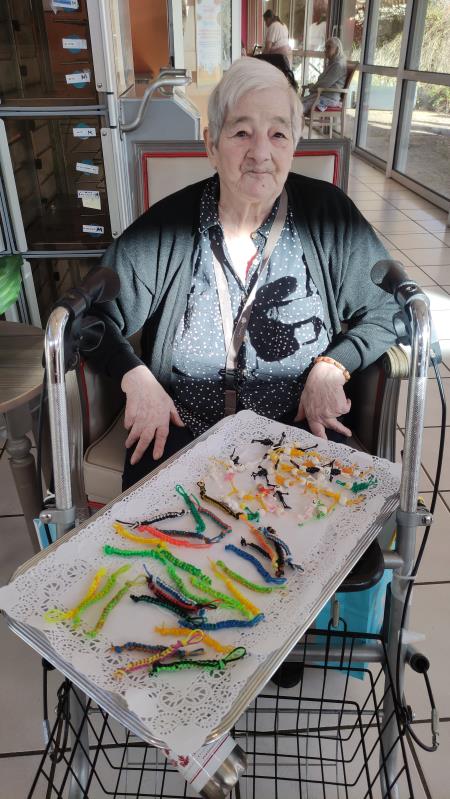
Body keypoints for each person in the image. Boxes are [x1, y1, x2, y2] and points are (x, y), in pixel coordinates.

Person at [86, 58, 397, 494]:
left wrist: (334, 365)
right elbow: (88, 315)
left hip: (299, 433)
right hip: (184, 434)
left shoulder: (329, 217)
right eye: (241, 133)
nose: (260, 153)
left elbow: (389, 308)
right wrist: (134, 377)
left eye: (277, 134)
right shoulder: (167, 227)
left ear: (294, 143)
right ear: (211, 144)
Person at [302, 37, 347, 115]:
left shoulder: (338, 65)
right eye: (325, 47)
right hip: (322, 95)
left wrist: (312, 87)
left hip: (329, 98)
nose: (325, 50)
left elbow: (324, 84)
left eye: (329, 47)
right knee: (297, 103)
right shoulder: (333, 63)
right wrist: (313, 87)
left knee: (299, 107)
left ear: (337, 49)